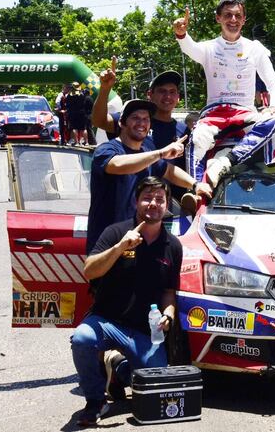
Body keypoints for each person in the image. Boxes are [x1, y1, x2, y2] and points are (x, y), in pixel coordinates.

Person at [71, 177, 182, 426]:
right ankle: (95, 400)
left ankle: (118, 368)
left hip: (145, 329)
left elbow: (168, 292)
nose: (153, 204)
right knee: (82, 339)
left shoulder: (172, 246)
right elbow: (89, 271)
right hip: (108, 320)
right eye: (147, 198)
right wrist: (120, 247)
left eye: (159, 199)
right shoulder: (116, 232)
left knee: (154, 387)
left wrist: (169, 315)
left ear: (166, 206)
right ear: (136, 201)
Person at [172, 0, 275, 187]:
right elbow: (190, 49)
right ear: (218, 18)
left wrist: (274, 107)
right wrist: (181, 34)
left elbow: (273, 84)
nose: (233, 20)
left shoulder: (255, 48)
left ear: (244, 19)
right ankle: (197, 191)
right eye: (228, 15)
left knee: (273, 123)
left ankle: (227, 162)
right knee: (195, 141)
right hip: (214, 115)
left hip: (245, 114)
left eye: (237, 16)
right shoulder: (209, 48)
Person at [86, 99, 211, 253]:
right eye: (135, 118)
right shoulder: (107, 149)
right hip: (109, 242)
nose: (141, 123)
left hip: (139, 241)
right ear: (122, 123)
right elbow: (117, 165)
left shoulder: (146, 154)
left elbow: (169, 171)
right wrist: (160, 153)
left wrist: (195, 185)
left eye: (146, 119)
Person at [93, 59, 193, 206]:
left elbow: (171, 171)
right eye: (162, 91)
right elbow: (99, 121)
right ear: (149, 94)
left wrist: (196, 186)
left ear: (178, 98)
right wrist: (105, 89)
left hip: (171, 209)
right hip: (129, 206)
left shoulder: (184, 131)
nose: (167, 96)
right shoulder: (131, 124)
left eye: (172, 92)